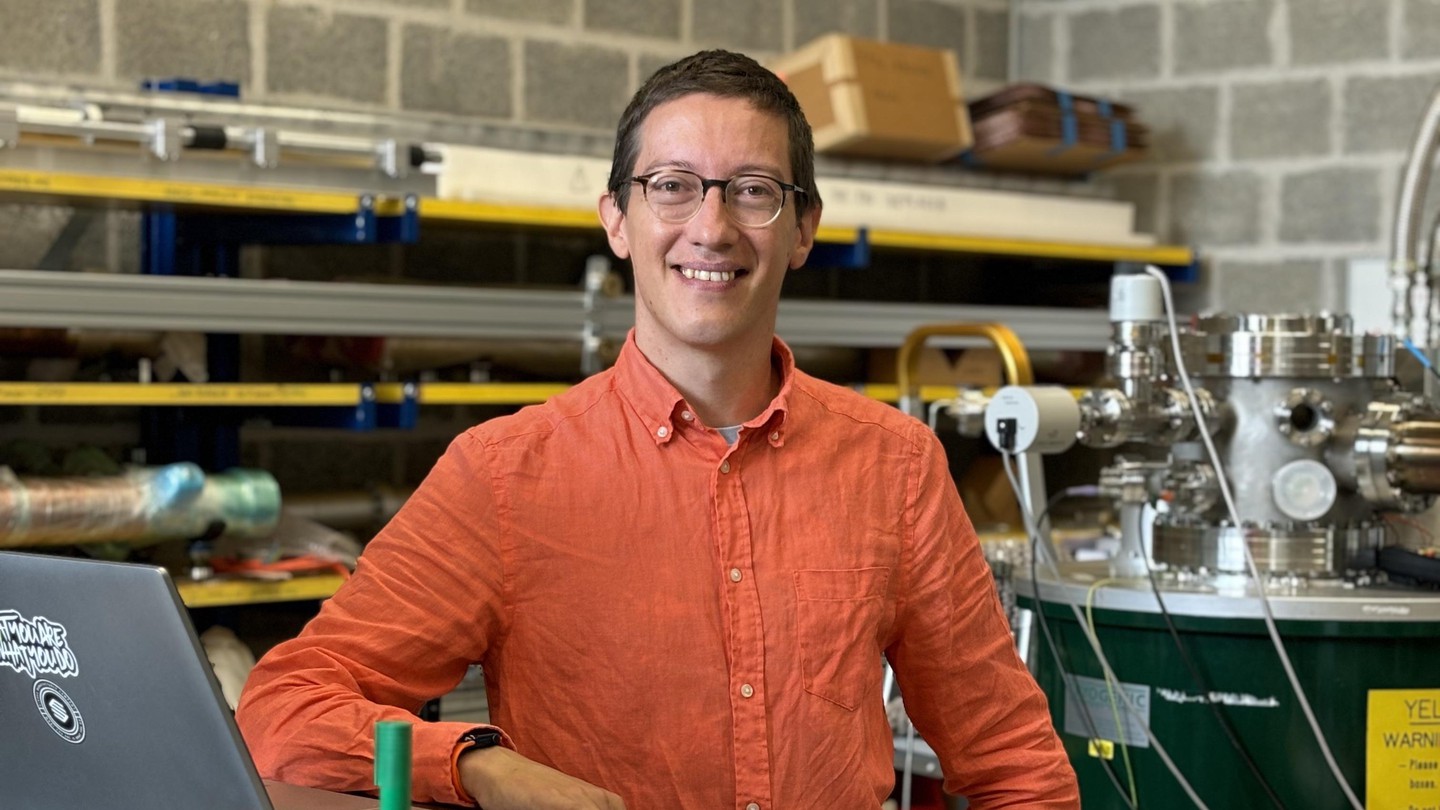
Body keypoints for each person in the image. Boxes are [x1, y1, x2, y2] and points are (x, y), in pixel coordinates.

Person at [236, 49, 1079, 809]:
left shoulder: (893, 465)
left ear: (803, 229)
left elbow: (1013, 763)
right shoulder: (504, 476)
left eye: (753, 191)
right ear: (616, 220)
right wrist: (478, 765)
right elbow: (283, 712)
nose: (710, 227)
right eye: (672, 186)